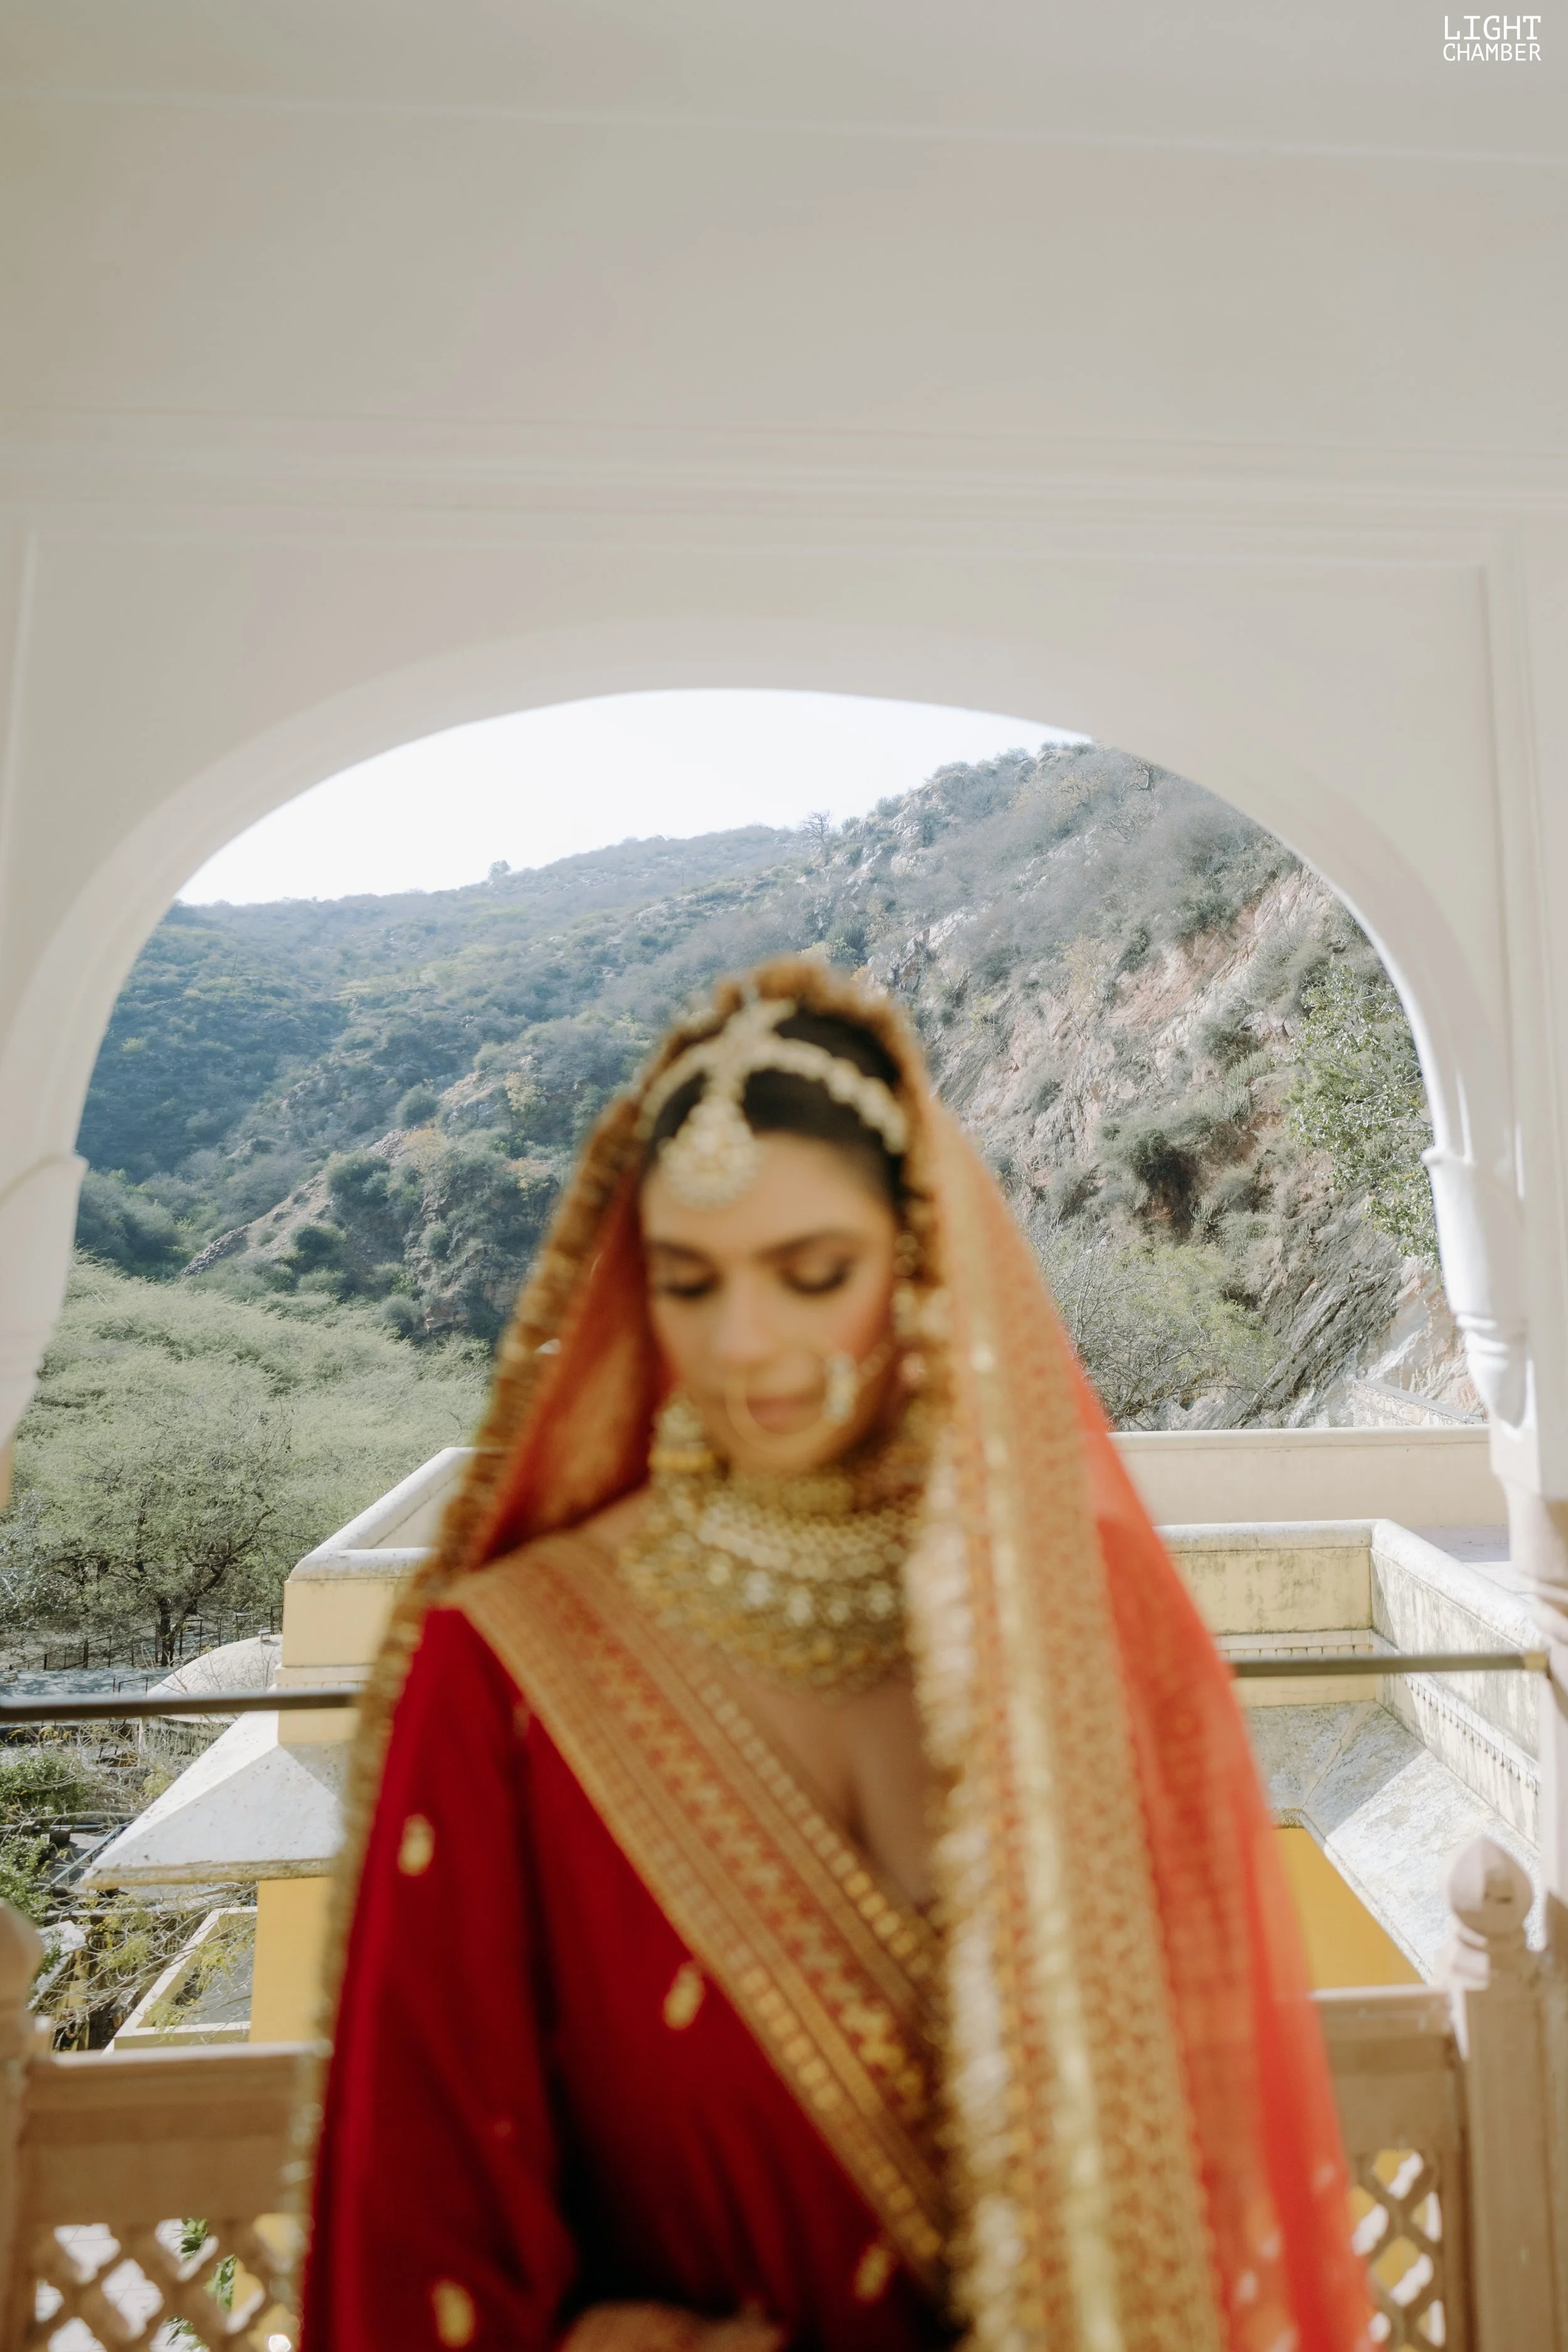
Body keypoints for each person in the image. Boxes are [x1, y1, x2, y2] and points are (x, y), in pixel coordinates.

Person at [302, 957, 1372, 2352]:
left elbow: (1220, 2149)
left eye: (813, 1274)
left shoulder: (1088, 1625)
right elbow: (417, 2244)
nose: (748, 1342)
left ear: (921, 1262)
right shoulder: (509, 1672)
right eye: (687, 1283)